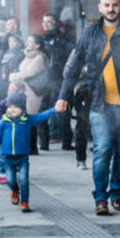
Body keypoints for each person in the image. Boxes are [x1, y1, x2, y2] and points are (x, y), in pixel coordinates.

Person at [57, 0, 120, 215]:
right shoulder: (90, 33)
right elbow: (73, 67)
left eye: (115, 4)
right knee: (102, 149)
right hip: (98, 103)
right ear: (100, 8)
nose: (111, 9)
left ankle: (117, 193)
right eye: (107, 5)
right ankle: (100, 197)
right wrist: (63, 96)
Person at [0, 90, 56, 213]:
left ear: (22, 108)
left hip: (23, 157)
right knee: (10, 180)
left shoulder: (27, 120)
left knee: (24, 180)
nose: (12, 109)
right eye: (10, 107)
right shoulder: (3, 122)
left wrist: (55, 109)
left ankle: (25, 201)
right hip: (7, 157)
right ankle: (14, 190)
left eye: (15, 107)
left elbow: (42, 116)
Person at [40, 12, 75, 151]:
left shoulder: (65, 39)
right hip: (43, 81)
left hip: (60, 80)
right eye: (45, 22)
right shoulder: (41, 40)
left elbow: (73, 55)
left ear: (56, 23)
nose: (47, 24)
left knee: (63, 111)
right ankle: (43, 143)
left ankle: (66, 143)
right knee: (43, 111)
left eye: (50, 21)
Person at [10, 34, 49, 155]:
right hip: (24, 89)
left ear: (37, 45)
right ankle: (26, 145)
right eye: (27, 41)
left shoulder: (40, 57)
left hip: (33, 91)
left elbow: (28, 73)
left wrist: (13, 76)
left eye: (31, 42)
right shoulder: (27, 56)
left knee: (31, 117)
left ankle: (32, 147)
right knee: (24, 116)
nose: (27, 44)